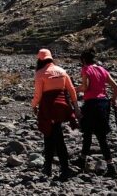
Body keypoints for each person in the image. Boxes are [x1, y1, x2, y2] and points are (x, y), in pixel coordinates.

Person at [32, 48, 79, 180]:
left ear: (40, 59)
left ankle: (59, 168)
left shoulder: (40, 73)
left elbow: (38, 95)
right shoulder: (62, 71)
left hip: (48, 108)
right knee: (54, 134)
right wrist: (76, 109)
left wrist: (33, 106)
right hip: (62, 108)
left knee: (52, 136)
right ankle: (52, 167)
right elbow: (71, 91)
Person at [75, 49, 117, 177]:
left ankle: (82, 160)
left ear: (83, 60)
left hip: (91, 104)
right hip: (103, 104)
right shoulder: (102, 70)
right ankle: (111, 165)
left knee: (87, 133)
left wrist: (74, 89)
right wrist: (113, 100)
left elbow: (85, 87)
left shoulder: (86, 69)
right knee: (101, 136)